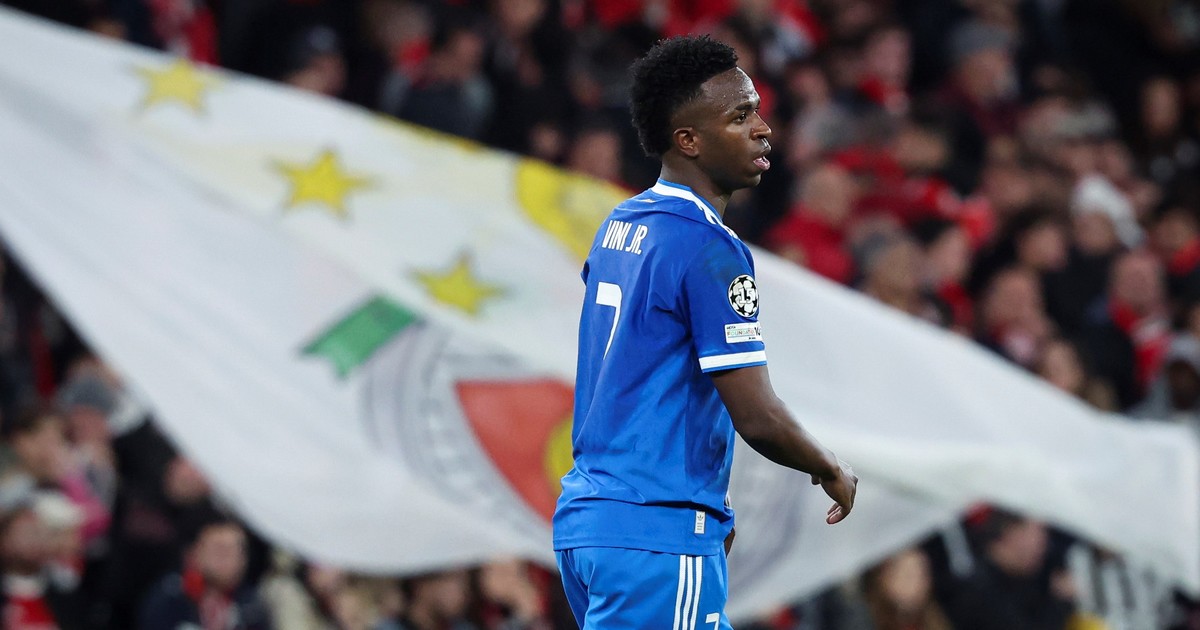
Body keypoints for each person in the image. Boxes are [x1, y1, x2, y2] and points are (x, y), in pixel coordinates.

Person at [552, 35, 858, 629]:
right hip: (656, 530)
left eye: (757, 111)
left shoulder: (621, 223)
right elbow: (757, 415)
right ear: (688, 139)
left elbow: (642, 372)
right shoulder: (708, 247)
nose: (763, 129)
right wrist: (828, 467)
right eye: (740, 116)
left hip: (593, 523)